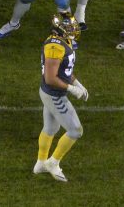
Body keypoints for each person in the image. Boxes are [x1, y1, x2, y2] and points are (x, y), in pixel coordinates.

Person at [34, 10, 88, 182]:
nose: (73, 29)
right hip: (54, 94)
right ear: (60, 29)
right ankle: (53, 162)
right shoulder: (55, 46)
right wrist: (71, 89)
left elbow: (65, 70)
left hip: (50, 92)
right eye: (69, 27)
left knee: (50, 129)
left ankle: (41, 162)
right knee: (75, 130)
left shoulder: (63, 42)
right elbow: (50, 78)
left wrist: (77, 82)